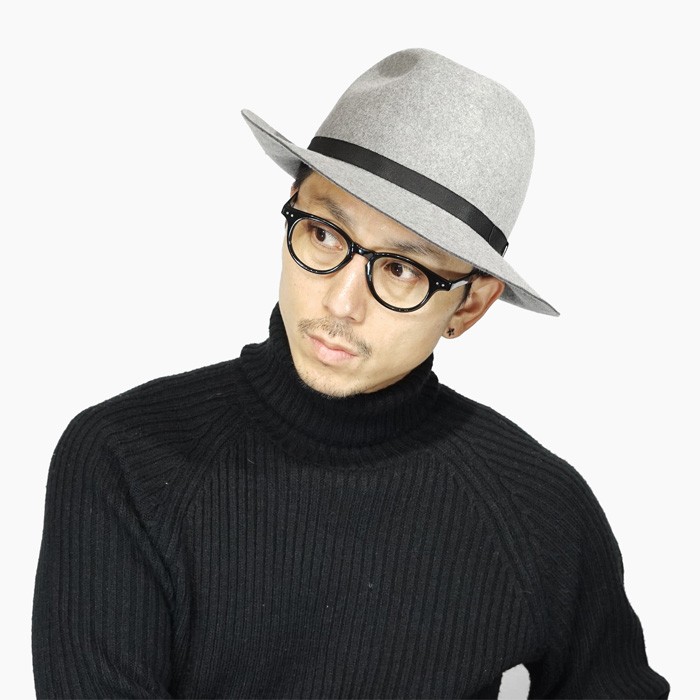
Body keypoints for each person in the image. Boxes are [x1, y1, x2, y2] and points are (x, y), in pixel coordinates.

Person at [31, 48, 669, 699]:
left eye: (401, 269)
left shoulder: (540, 511)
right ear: (292, 208)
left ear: (470, 305)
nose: (341, 302)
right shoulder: (127, 458)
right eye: (325, 235)